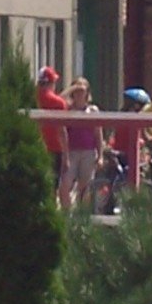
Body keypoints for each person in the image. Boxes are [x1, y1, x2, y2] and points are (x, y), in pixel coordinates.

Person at [62, 76, 101, 208]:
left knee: (85, 187)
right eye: (77, 90)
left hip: (88, 152)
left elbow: (98, 133)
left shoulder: (93, 111)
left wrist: (100, 155)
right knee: (65, 184)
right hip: (71, 151)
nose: (79, 93)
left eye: (82, 90)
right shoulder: (67, 109)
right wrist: (72, 88)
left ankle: (82, 216)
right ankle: (66, 214)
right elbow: (58, 100)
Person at [35, 65, 68, 190]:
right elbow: (62, 130)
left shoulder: (34, 97)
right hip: (54, 147)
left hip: (36, 145)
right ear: (51, 83)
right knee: (52, 186)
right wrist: (66, 155)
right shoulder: (58, 102)